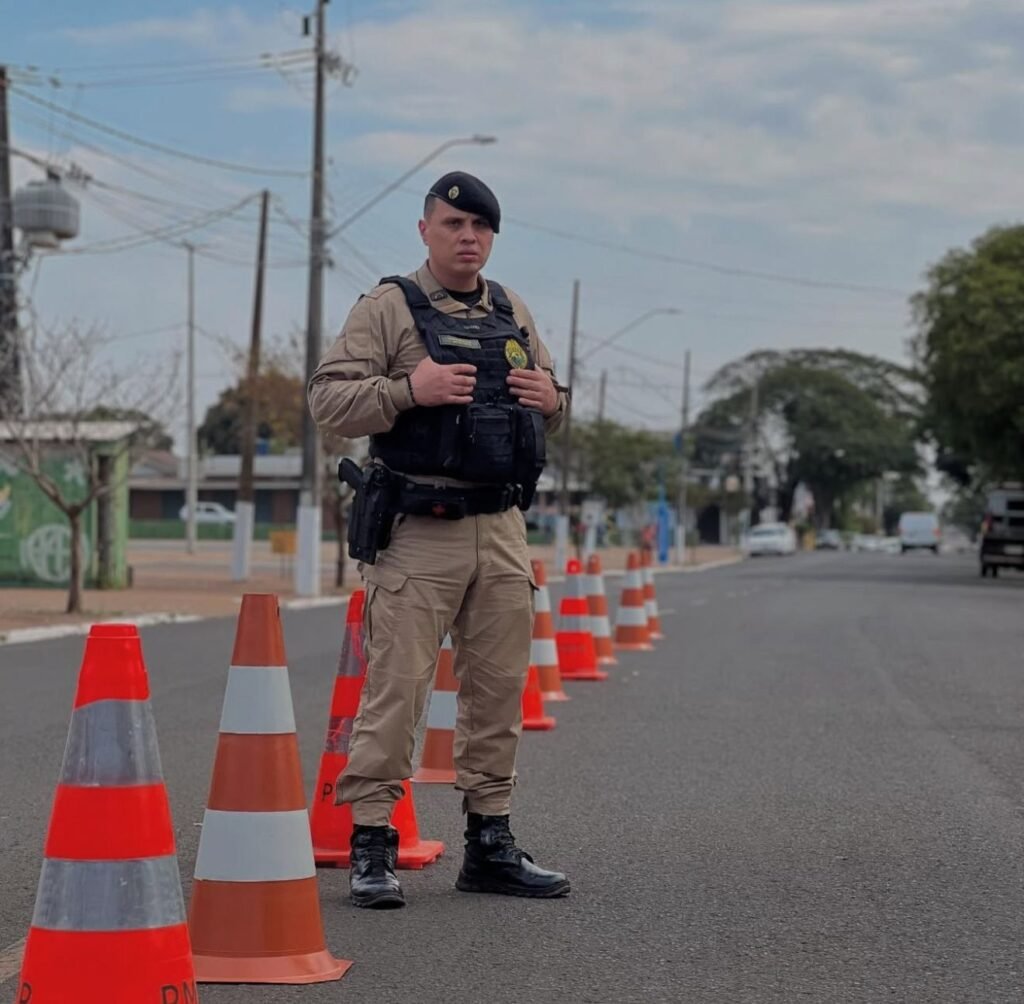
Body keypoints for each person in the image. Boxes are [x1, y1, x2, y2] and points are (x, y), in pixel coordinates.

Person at [308, 171, 571, 909]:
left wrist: (555, 400)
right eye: (454, 224)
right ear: (425, 229)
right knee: (395, 691)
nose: (468, 238)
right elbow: (327, 398)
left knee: (496, 696)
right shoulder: (388, 308)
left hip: (502, 528)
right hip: (419, 532)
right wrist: (405, 392)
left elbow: (548, 400)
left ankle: (490, 844)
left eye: (480, 228)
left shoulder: (512, 308)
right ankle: (371, 844)